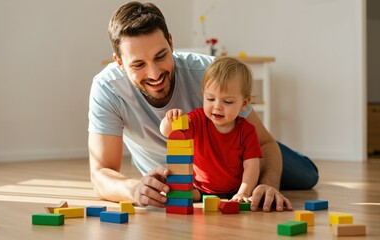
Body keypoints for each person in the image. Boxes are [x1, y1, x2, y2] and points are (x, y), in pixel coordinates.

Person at [88, 1, 318, 212]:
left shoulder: (209, 73)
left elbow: (264, 142)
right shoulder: (108, 89)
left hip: (235, 153)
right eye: (138, 64)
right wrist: (134, 189)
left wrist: (268, 184)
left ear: (171, 42)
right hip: (193, 180)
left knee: (306, 176)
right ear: (118, 62)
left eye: (161, 56)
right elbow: (101, 173)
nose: (155, 74)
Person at [159, 57, 261, 203]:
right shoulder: (197, 119)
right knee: (180, 192)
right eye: (211, 99)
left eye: (227, 101)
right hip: (200, 189)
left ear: (244, 103)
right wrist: (169, 120)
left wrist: (243, 193)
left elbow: (252, 167)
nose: (217, 106)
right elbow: (167, 132)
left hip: (234, 191)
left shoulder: (247, 131)